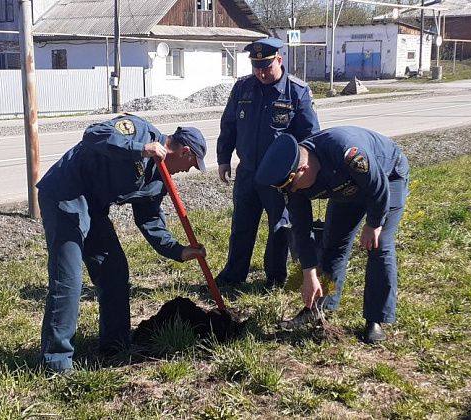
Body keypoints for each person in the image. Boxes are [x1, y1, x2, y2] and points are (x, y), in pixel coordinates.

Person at [36, 115, 208, 372]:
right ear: (184, 152)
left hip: (94, 208)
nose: (187, 170)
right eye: (192, 164)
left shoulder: (159, 179)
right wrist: (139, 150)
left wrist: (178, 251)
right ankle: (57, 362)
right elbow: (93, 134)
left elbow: (149, 219)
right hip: (65, 193)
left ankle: (114, 346)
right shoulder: (139, 132)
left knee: (114, 271)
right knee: (68, 278)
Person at [254, 127, 410, 344]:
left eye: (293, 186)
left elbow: (379, 187)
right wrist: (309, 273)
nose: (293, 192)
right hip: (346, 190)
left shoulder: (349, 152)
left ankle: (376, 319)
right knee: (334, 244)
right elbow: (301, 229)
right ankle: (319, 308)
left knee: (379, 244)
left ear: (303, 169)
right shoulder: (293, 185)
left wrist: (374, 224)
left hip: (386, 177)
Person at [215, 37, 320, 289]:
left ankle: (274, 277)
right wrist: (223, 158)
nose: (261, 72)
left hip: (278, 176)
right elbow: (228, 124)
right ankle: (234, 274)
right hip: (248, 171)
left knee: (279, 228)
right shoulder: (243, 88)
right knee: (241, 224)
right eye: (257, 67)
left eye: (267, 67)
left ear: (279, 61)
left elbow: (310, 136)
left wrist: (301, 172)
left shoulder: (297, 91)